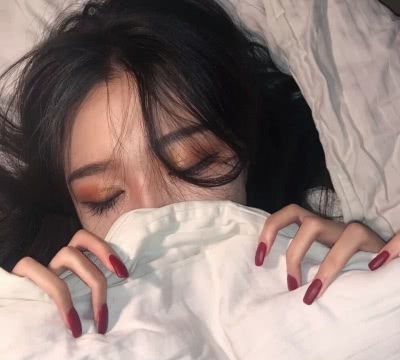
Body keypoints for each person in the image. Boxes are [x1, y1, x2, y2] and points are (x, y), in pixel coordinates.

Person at [0, 0, 395, 339]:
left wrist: (378, 290)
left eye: (193, 162)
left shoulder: (329, 258)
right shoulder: (36, 328)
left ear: (248, 152)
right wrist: (33, 343)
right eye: (104, 198)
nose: (153, 217)